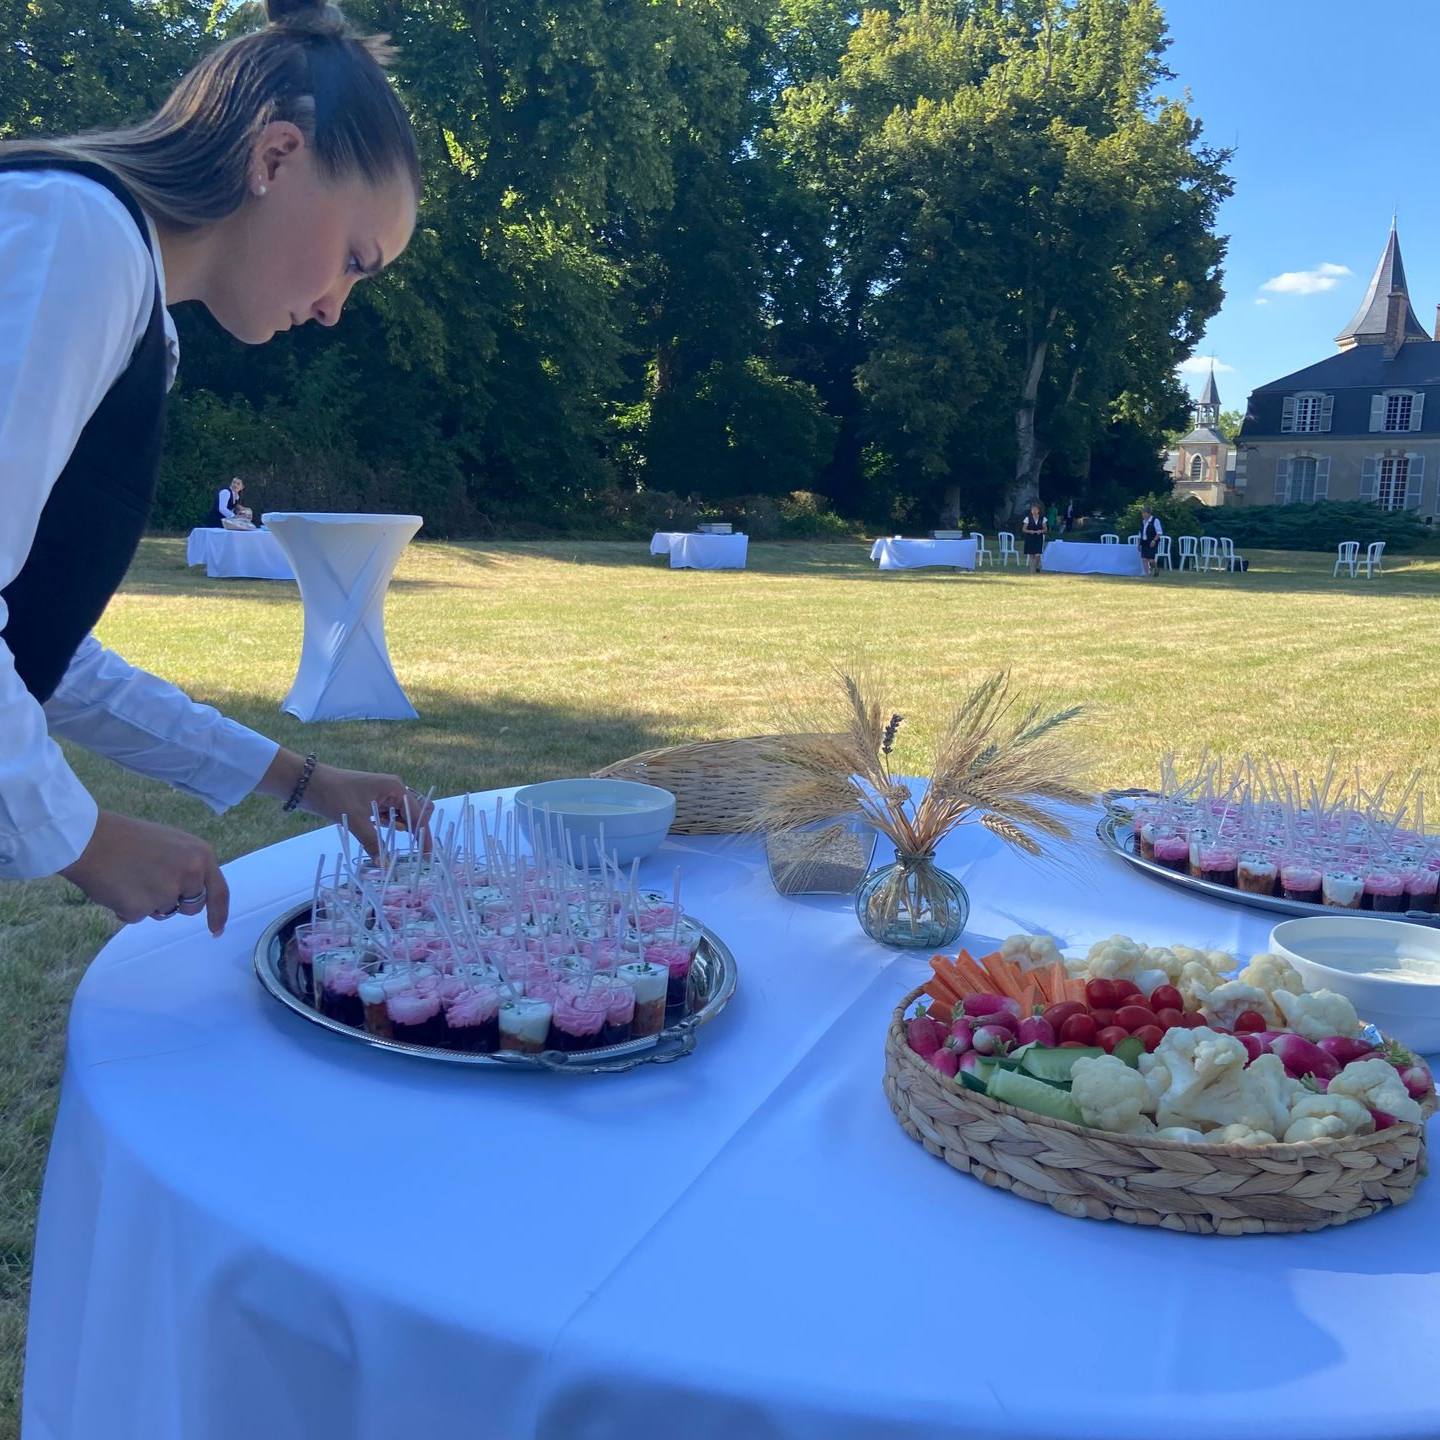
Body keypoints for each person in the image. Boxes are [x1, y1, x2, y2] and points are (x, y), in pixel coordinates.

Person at [0, 0, 432, 937]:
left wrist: (305, 781)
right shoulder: (75, 235)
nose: (334, 311)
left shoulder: (135, 310)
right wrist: (80, 837)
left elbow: (41, 649)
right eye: (355, 260)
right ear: (275, 158)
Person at [1137, 505, 1164, 577]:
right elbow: (1140, 534)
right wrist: (1139, 544)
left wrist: (1154, 540)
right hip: (1144, 542)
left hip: (1152, 542)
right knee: (1144, 559)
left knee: (1151, 560)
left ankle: (1156, 569)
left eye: (1145, 513)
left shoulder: (1155, 521)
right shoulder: (1142, 522)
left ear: (1149, 514)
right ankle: (1146, 574)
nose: (1144, 515)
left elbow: (1159, 532)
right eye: (1143, 513)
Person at [1021, 501, 1047, 573]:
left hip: (1038, 538)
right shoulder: (1027, 518)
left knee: (1037, 554)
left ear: (1038, 510)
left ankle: (1037, 566)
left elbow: (1045, 529)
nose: (1034, 511)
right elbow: (1023, 529)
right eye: (1033, 509)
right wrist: (1030, 531)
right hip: (1030, 538)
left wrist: (1040, 531)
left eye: (1035, 509)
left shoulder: (1043, 518)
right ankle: (1033, 571)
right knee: (1032, 555)